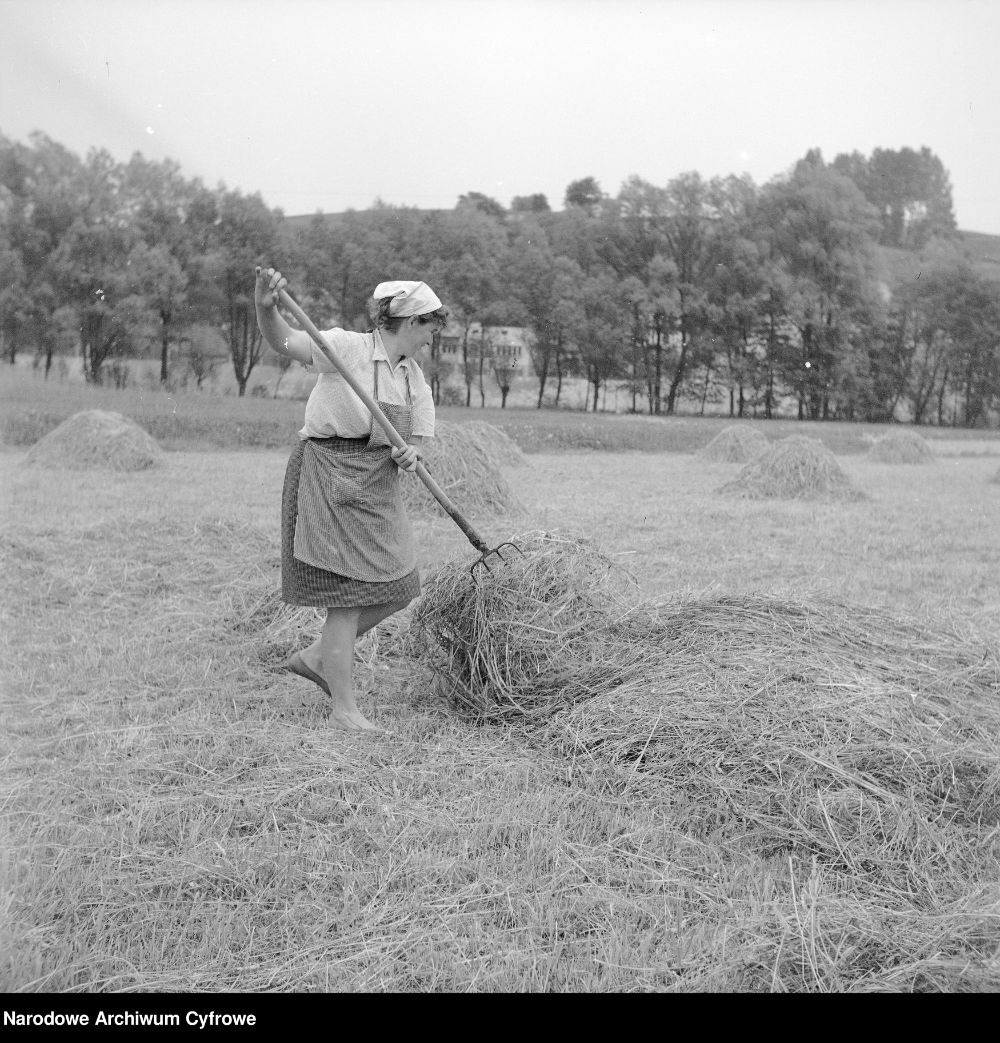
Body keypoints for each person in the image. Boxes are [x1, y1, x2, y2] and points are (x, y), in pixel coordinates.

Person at [254, 266, 447, 731]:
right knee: (347, 596)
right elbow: (285, 342)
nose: (432, 338)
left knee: (400, 587)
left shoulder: (414, 380)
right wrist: (265, 307)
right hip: (331, 475)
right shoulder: (345, 348)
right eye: (431, 327)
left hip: (378, 485)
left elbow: (421, 439)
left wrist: (412, 454)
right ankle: (345, 709)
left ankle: (320, 657)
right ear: (411, 320)